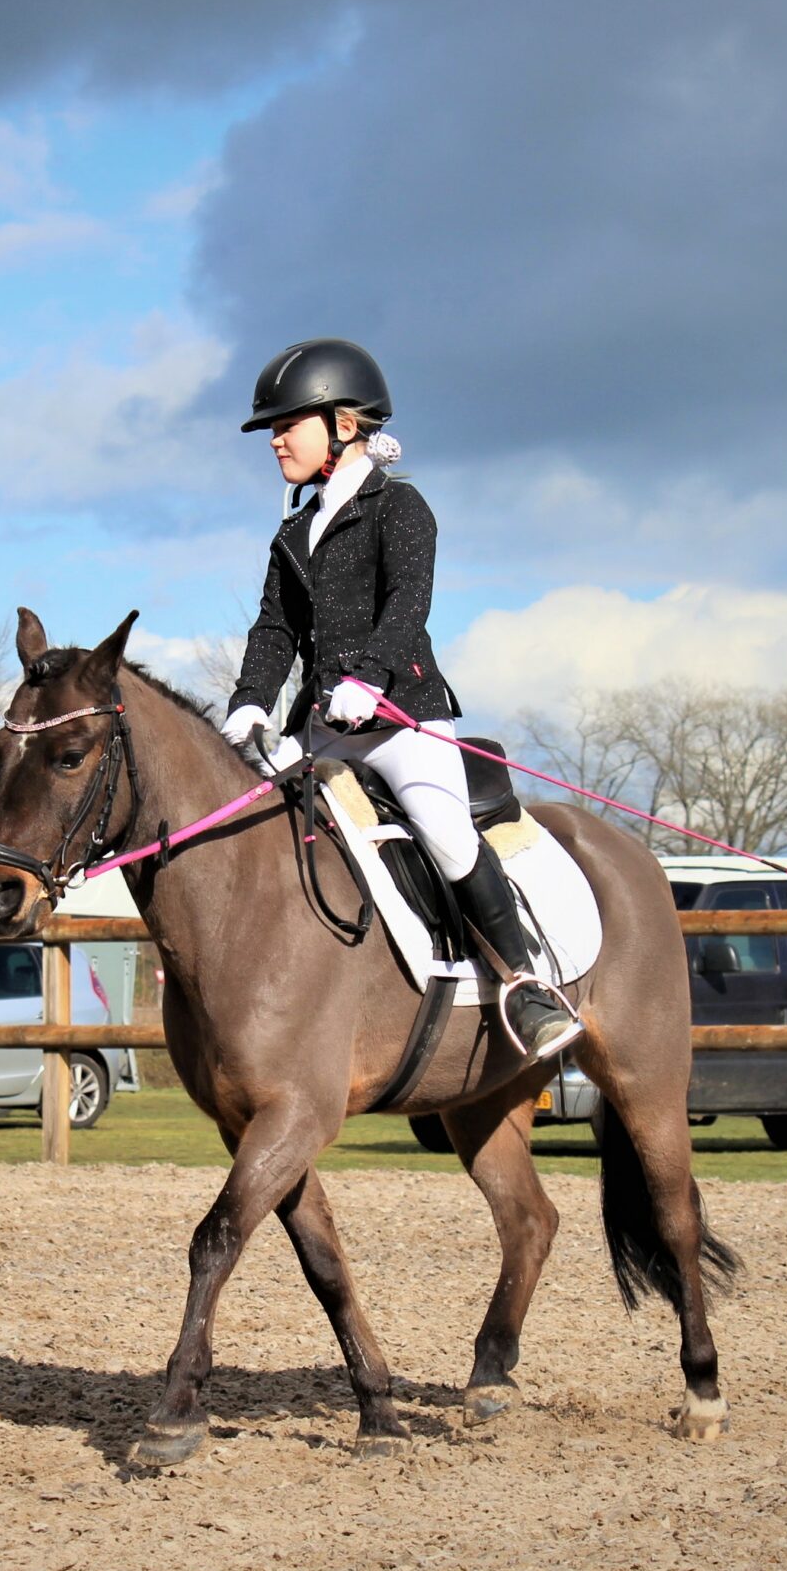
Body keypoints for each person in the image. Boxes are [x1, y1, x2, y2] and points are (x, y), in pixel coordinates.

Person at [220, 338, 576, 1059]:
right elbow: (275, 627)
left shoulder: (401, 508)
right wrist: (250, 700)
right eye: (272, 429)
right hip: (320, 726)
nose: (277, 439)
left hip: (402, 717)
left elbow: (406, 605)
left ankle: (528, 984)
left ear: (343, 426)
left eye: (289, 424)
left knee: (446, 831)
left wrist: (371, 678)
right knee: (244, 817)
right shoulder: (293, 532)